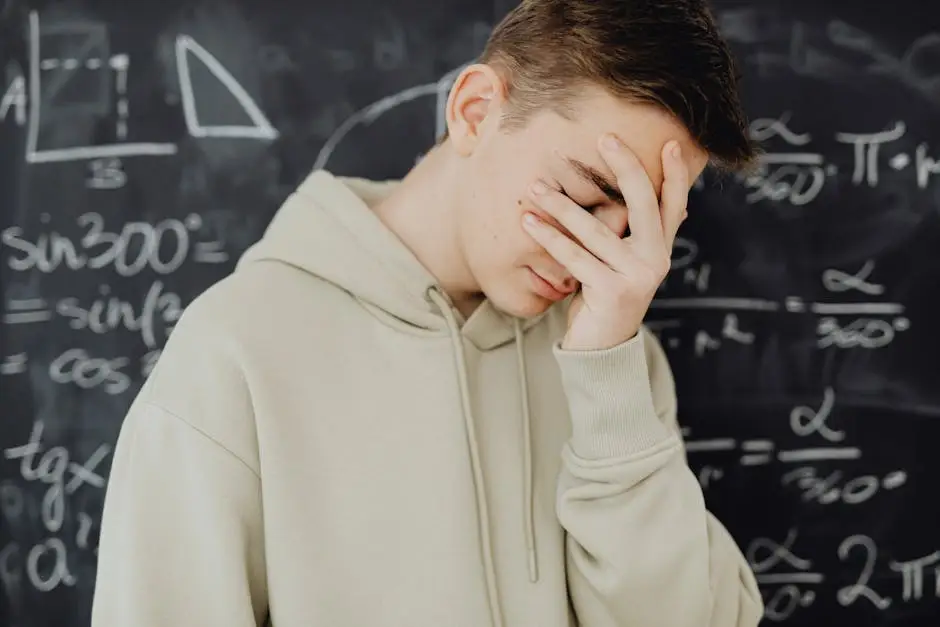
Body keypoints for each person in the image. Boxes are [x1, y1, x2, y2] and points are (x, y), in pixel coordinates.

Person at [91, 0, 764, 625]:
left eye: (641, 227)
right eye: (583, 197)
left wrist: (608, 386)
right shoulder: (235, 354)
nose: (601, 259)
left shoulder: (613, 355)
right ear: (474, 111)